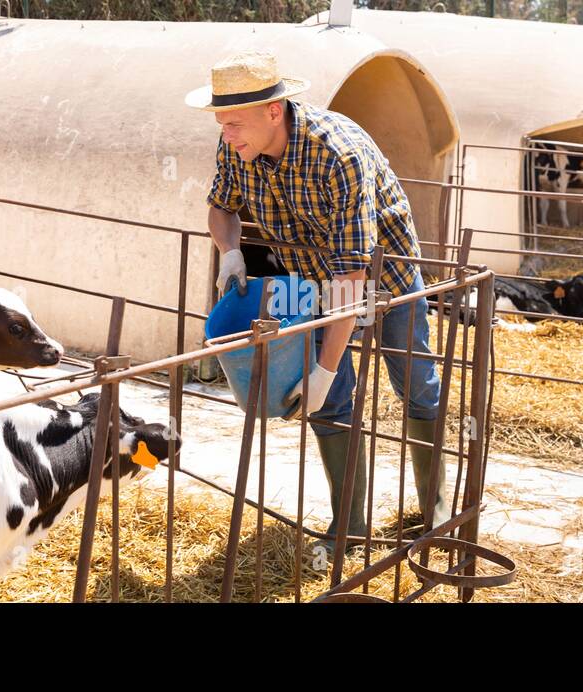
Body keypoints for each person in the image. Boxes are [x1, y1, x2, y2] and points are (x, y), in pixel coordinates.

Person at [186, 50, 450, 549]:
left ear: (273, 110)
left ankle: (435, 506)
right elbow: (221, 208)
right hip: (307, 278)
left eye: (235, 122)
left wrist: (323, 372)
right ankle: (351, 525)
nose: (227, 133)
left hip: (383, 277)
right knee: (331, 404)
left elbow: (352, 279)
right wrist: (230, 253)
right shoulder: (237, 145)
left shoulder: (338, 155)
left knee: (414, 380)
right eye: (222, 123)